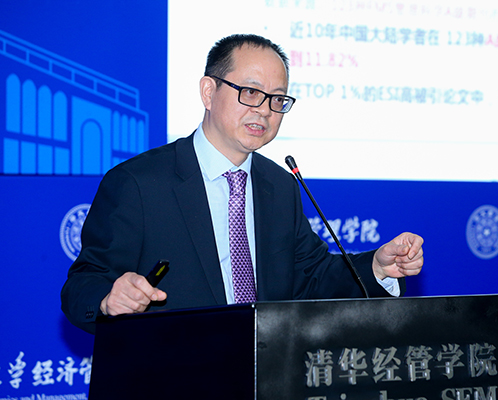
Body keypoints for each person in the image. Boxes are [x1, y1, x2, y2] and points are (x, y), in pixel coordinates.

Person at [61, 34, 424, 334]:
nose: (264, 110)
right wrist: (108, 299)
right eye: (250, 92)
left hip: (262, 375)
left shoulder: (279, 186)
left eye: (277, 99)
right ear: (208, 92)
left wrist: (377, 268)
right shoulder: (138, 183)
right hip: (171, 375)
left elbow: (313, 277)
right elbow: (82, 284)